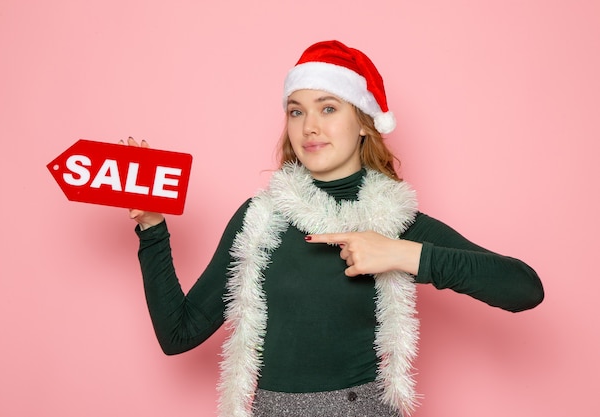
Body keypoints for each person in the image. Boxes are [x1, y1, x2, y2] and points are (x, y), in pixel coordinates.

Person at [124, 40, 544, 417]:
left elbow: (524, 288)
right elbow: (178, 334)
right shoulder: (259, 220)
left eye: (328, 108)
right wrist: (152, 228)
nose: (309, 126)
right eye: (296, 111)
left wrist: (401, 254)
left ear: (364, 121)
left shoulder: (395, 221)